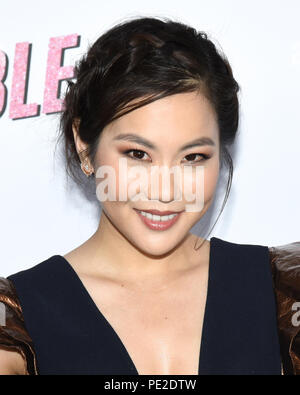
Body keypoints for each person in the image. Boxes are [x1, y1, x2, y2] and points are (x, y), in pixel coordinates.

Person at [0, 16, 299, 375]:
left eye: (193, 157)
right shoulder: (18, 320)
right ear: (84, 146)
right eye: (138, 154)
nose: (165, 189)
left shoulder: (284, 291)